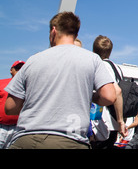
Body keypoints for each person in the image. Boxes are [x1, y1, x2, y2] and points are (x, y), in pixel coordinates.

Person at [4, 11, 116, 149]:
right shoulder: (91, 59)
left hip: (26, 139)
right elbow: (109, 96)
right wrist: (90, 96)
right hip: (70, 140)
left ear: (53, 31)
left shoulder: (33, 60)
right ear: (76, 34)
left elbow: (10, 107)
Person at [91, 35, 128, 149]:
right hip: (113, 121)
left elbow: (116, 91)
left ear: (94, 50)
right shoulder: (116, 68)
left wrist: (121, 121)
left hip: (102, 120)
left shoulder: (101, 66)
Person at [0, 61, 25, 148]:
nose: (20, 70)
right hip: (1, 127)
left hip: (18, 127)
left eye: (22, 69)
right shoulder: (1, 83)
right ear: (11, 70)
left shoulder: (28, 85)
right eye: (17, 68)